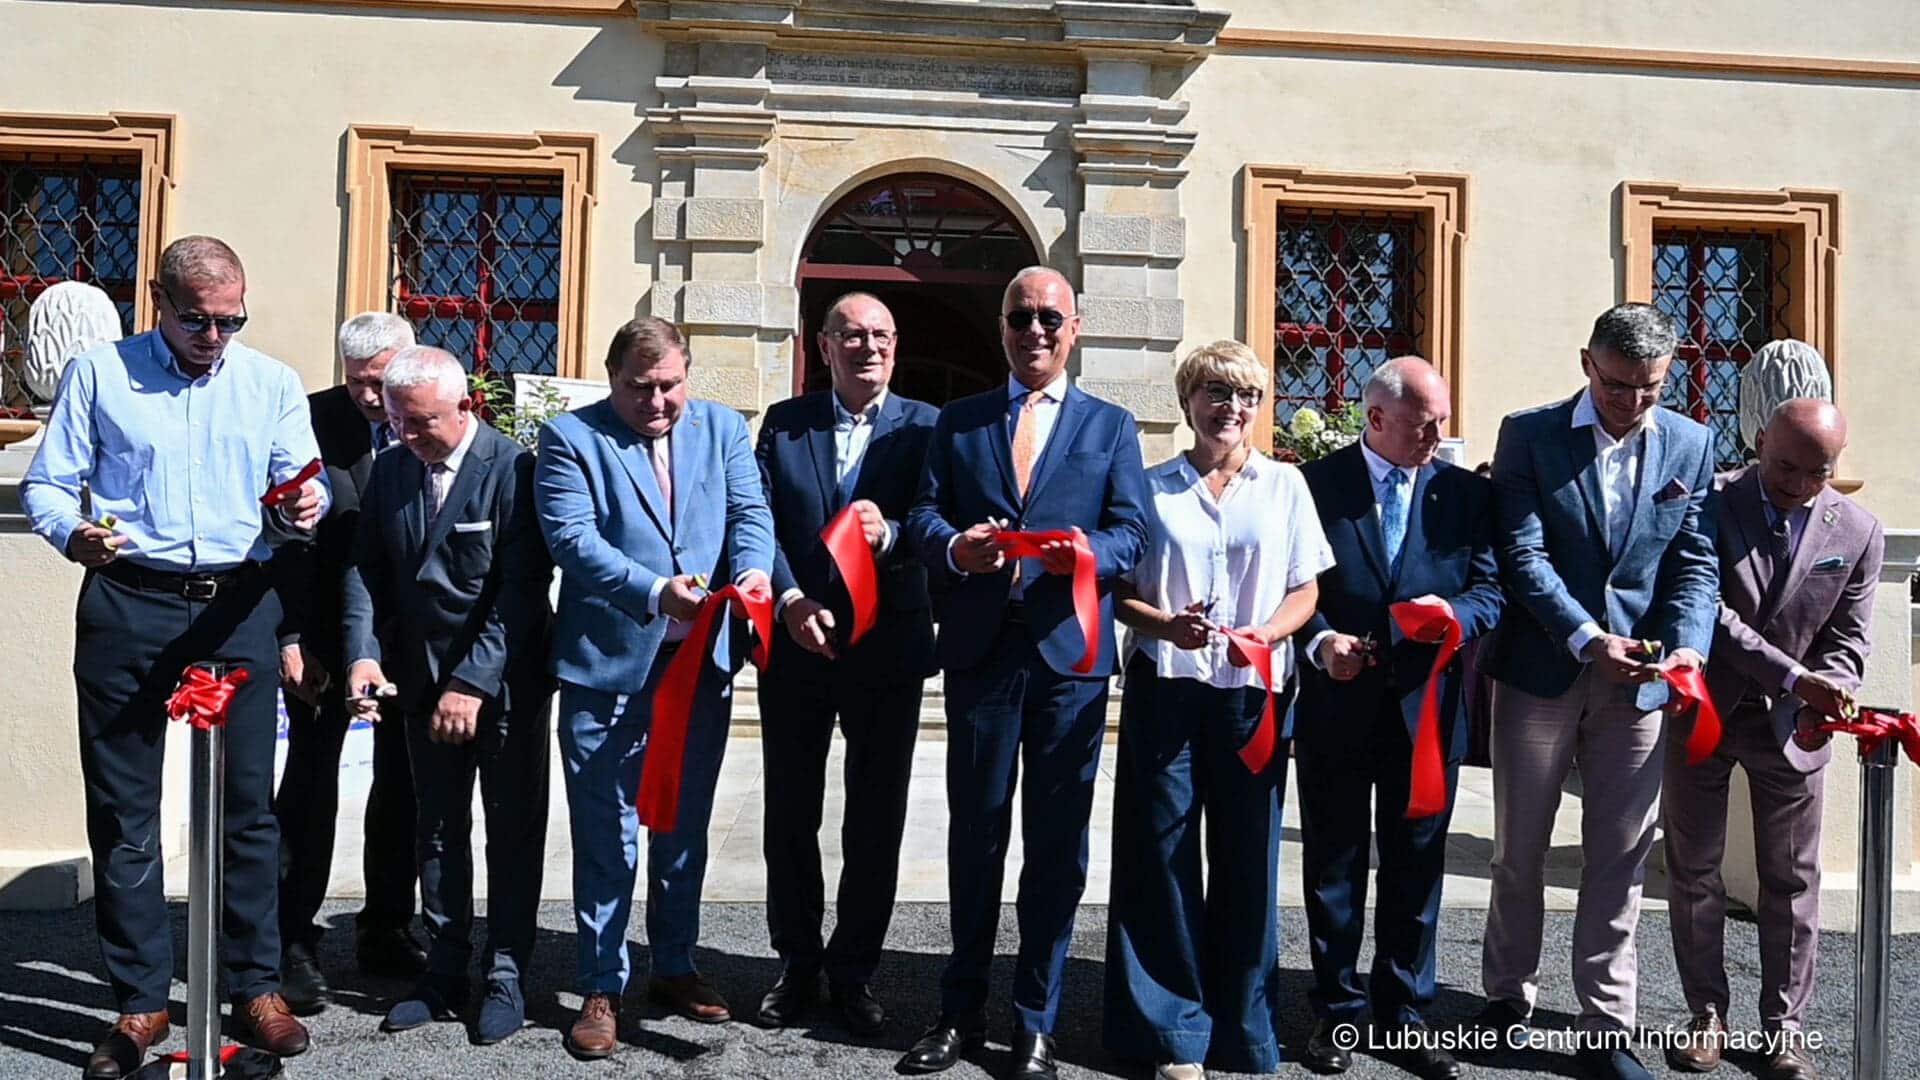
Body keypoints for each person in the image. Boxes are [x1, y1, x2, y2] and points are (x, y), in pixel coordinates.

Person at [21, 235, 326, 1078]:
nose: (214, 337)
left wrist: (302, 504)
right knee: (126, 812)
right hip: (129, 601)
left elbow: (301, 483)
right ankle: (140, 999)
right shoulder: (101, 374)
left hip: (237, 603)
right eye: (197, 321)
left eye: (231, 320)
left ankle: (254, 988)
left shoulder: (269, 382)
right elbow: (47, 484)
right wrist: (72, 533)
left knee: (248, 808)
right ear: (159, 302)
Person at [900, 266, 1149, 1080]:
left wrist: (1086, 554)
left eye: (1049, 317)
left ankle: (1035, 1021)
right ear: (1001, 327)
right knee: (975, 836)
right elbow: (924, 513)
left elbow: (1132, 532)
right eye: (1019, 318)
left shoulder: (1111, 426)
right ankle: (959, 1013)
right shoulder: (961, 420)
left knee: (1056, 845)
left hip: (1069, 659)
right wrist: (953, 547)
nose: (1034, 331)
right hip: (983, 654)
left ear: (1074, 328)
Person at [1476, 302, 1719, 1080]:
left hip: (1640, 683)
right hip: (1542, 671)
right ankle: (1507, 997)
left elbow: (1695, 560)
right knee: (1519, 848)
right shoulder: (1530, 434)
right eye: (1618, 386)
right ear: (1588, 364)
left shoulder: (1691, 442)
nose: (1633, 402)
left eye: (1651, 388)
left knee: (1621, 856)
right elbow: (1521, 554)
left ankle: (1606, 1022)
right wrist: (1587, 637)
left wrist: (1686, 652)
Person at [534, 317, 774, 1059]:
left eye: (671, 385)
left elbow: (749, 512)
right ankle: (601, 984)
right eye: (641, 387)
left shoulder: (722, 428)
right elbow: (572, 539)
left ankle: (674, 964)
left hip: (699, 668)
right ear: (613, 378)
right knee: (607, 833)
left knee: (682, 828)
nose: (658, 401)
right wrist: (652, 591)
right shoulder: (570, 438)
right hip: (607, 670)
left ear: (687, 375)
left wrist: (754, 571)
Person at [1102, 340, 1331, 1080]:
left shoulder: (1286, 486)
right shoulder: (1150, 486)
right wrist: (1164, 625)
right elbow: (1118, 590)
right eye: (1216, 393)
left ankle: (1243, 1029)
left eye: (1246, 396)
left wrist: (1267, 635)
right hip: (1167, 685)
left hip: (1252, 690)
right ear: (1188, 402)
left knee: (1248, 857)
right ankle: (1171, 1032)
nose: (1231, 408)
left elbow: (1306, 588)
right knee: (1159, 853)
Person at [1292, 358, 1501, 1080]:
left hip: (1427, 711)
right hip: (1337, 704)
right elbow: (1290, 584)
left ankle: (1405, 1012)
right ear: (1376, 418)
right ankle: (1337, 1010)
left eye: (1442, 421)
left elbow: (1491, 589)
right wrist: (1320, 641)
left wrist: (1456, 617)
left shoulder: (1465, 494)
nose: (1437, 437)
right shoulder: (1314, 485)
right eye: (1423, 424)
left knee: (1416, 866)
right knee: (1335, 864)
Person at [339, 345, 554, 1045]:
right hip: (420, 683)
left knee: (511, 830)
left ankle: (506, 971)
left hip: (503, 686)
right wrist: (364, 653)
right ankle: (443, 968)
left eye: (421, 422)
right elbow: (366, 569)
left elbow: (521, 591)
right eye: (397, 421)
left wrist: (471, 683)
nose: (407, 434)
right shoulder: (393, 468)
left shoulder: (514, 470)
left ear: (466, 406)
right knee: (436, 828)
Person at [1663, 399, 1881, 1080]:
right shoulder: (1708, 502)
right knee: (1694, 871)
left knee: (1792, 883)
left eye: (1818, 472)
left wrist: (1832, 685)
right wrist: (1794, 677)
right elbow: (1706, 610)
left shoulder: (1859, 531)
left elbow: (1850, 639)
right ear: (1759, 441)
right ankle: (1706, 1013)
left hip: (1795, 728)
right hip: (1705, 711)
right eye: (1786, 466)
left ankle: (1784, 1029)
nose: (1799, 484)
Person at [752, 293, 938, 1034]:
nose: (869, 347)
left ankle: (855, 969)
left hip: (887, 648)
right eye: (852, 335)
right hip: (797, 645)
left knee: (876, 816)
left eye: (881, 335)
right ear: (824, 345)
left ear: (896, 344)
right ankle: (797, 962)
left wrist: (889, 531)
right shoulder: (785, 422)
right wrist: (788, 599)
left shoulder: (928, 426)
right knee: (790, 811)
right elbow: (755, 521)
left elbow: (938, 520)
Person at [271, 311, 425, 1015]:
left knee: (403, 784)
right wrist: (291, 638)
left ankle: (386, 926)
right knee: (309, 784)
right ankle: (291, 938)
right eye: (357, 381)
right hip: (325, 638)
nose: (370, 396)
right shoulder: (307, 422)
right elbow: (285, 542)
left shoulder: (432, 410)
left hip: (408, 638)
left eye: (381, 380)